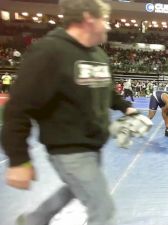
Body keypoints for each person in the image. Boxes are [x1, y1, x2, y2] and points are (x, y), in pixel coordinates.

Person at [1, 1, 140, 224]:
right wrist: (18, 160)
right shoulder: (50, 52)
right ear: (88, 18)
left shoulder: (99, 56)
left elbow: (106, 91)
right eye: (104, 19)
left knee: (73, 189)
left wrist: (127, 107)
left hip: (93, 145)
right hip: (68, 150)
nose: (108, 26)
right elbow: (18, 107)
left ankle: (34, 220)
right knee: (104, 211)